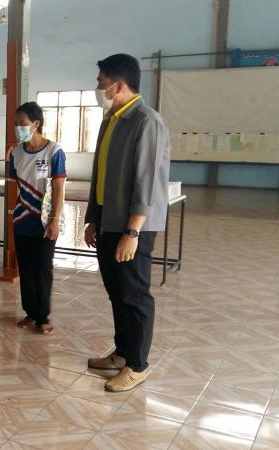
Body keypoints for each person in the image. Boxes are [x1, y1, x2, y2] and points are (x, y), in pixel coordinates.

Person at [84, 54, 171, 392]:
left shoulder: (146, 121)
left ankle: (137, 365)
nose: (98, 88)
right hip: (109, 221)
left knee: (134, 295)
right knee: (116, 292)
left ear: (118, 85)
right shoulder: (111, 121)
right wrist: (93, 219)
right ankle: (122, 353)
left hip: (134, 227)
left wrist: (132, 231)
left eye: (101, 82)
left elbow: (146, 182)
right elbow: (100, 175)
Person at [9, 102, 67, 335]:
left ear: (36, 124)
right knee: (25, 268)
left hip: (45, 221)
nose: (18, 128)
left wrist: (54, 220)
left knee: (42, 268)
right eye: (16, 124)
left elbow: (59, 187)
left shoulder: (54, 151)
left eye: (22, 123)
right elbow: (16, 182)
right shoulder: (16, 152)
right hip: (22, 220)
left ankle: (42, 316)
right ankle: (30, 312)